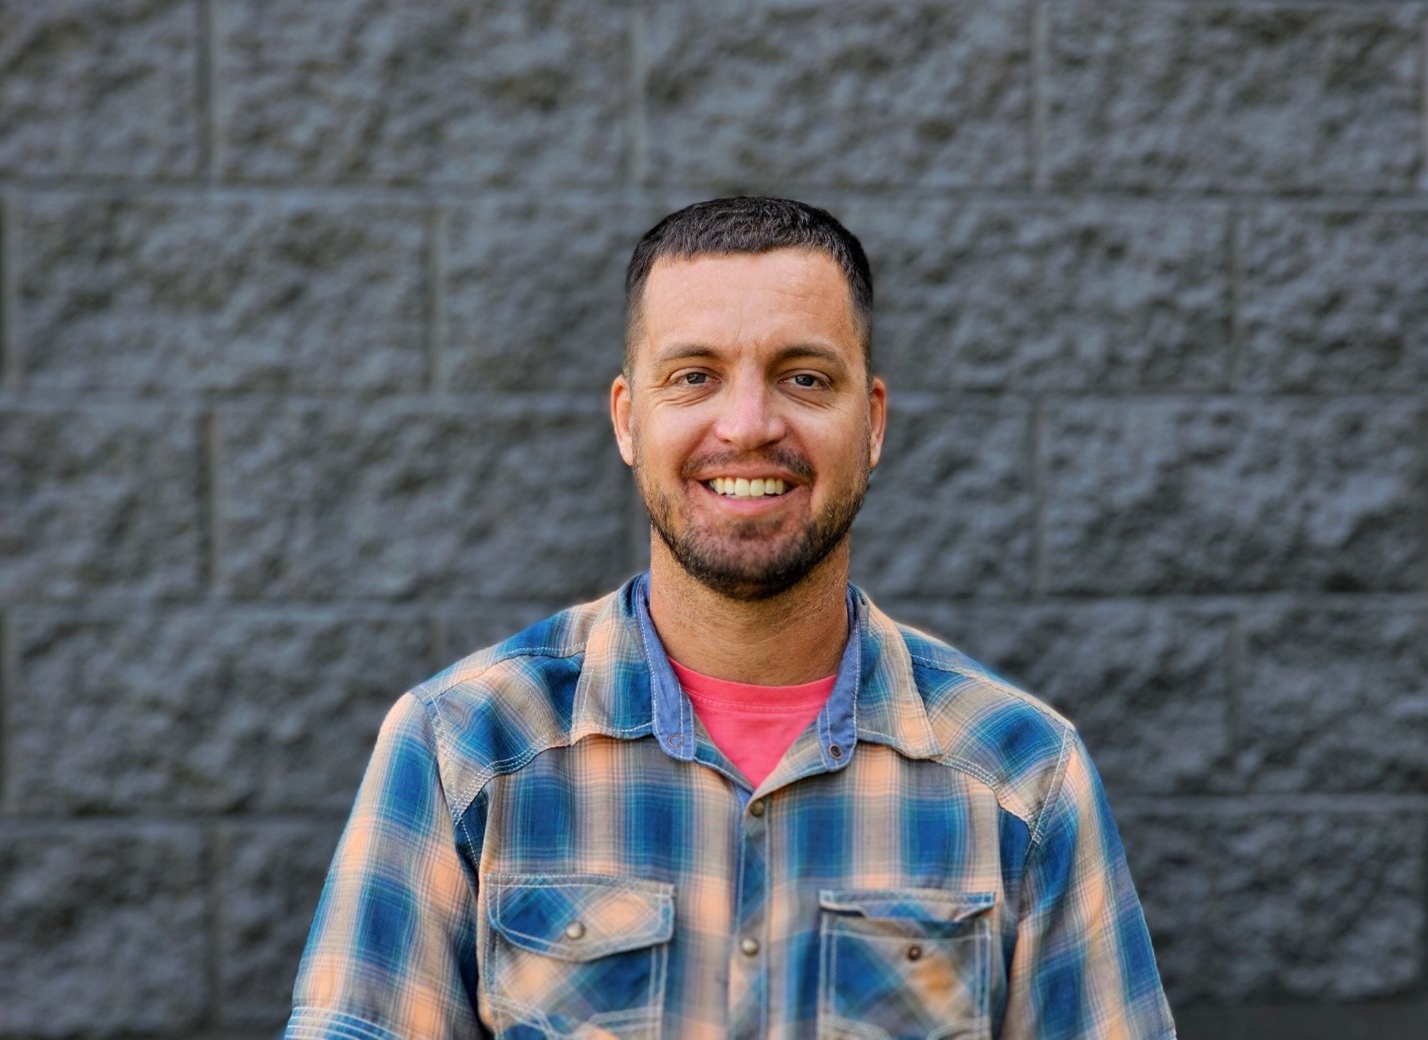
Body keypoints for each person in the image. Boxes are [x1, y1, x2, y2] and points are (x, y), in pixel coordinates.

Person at [285, 197, 1176, 1040]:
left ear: (871, 424)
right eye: (695, 376)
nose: (748, 425)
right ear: (629, 420)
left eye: (804, 377)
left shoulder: (1022, 775)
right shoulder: (463, 750)